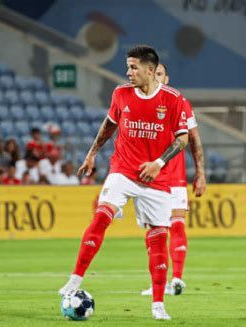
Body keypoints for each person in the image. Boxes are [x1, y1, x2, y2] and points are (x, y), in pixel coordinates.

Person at [58, 45, 188, 320]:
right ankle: (75, 278)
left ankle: (157, 304)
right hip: (123, 169)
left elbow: (182, 139)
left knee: (157, 240)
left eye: (134, 67)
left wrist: (159, 163)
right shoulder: (121, 94)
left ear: (150, 70)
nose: (128, 72)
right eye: (128, 67)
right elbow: (108, 125)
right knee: (101, 216)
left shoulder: (173, 99)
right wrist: (92, 153)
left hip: (156, 178)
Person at [141, 63, 206, 296]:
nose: (155, 78)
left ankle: (177, 278)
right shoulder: (140, 101)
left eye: (159, 74)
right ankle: (158, 283)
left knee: (176, 223)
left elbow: (194, 139)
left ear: (166, 79)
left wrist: (200, 172)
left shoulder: (179, 103)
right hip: (149, 178)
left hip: (174, 174)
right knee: (153, 230)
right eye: (152, 74)